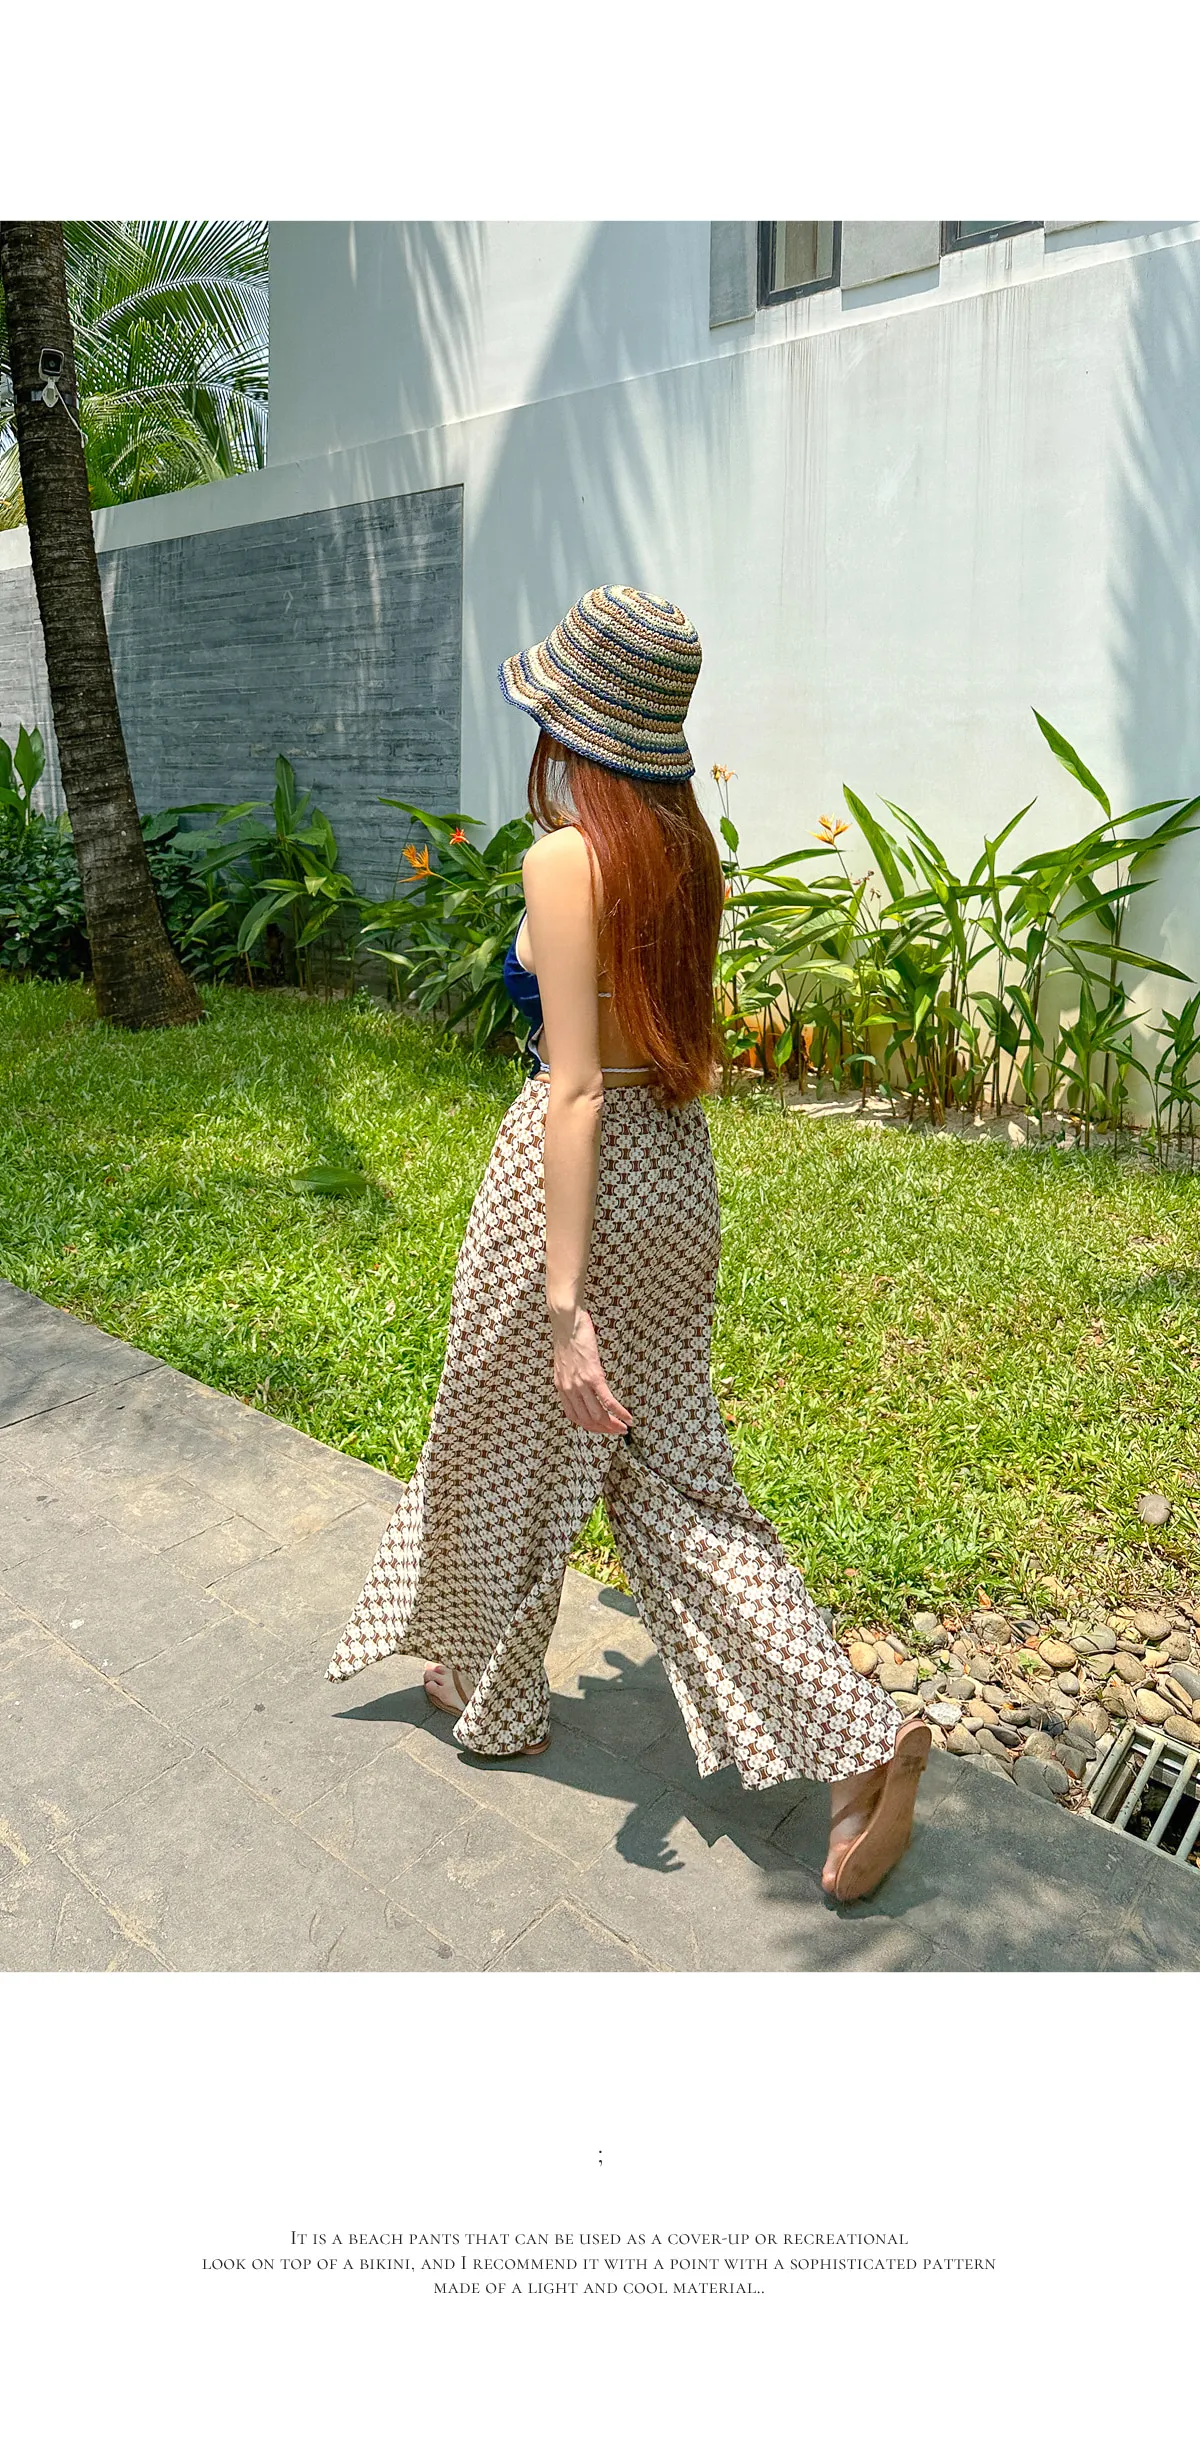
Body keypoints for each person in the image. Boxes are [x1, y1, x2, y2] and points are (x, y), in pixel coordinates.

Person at [327, 586, 930, 1900]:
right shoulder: (687, 853)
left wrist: (561, 1306)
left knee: (497, 1442)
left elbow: (574, 1086)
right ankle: (858, 1744)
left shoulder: (563, 859)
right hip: (677, 1178)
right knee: (675, 1481)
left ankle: (486, 1692)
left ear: (573, 726)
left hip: (576, 1187)